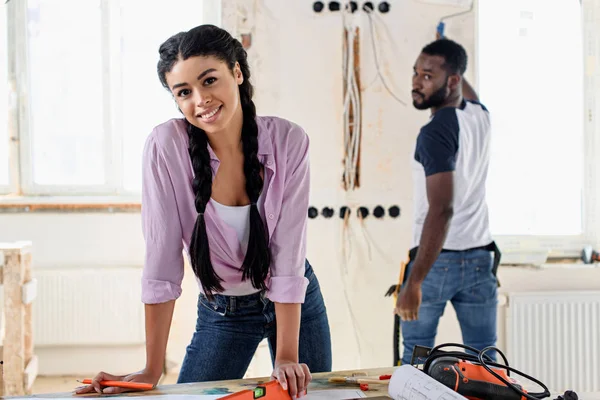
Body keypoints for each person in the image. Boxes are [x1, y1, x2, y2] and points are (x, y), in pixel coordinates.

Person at [76, 24, 332, 397]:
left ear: (238, 73)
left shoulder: (289, 141)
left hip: (295, 303)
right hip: (223, 311)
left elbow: (289, 255)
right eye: (184, 92)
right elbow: (162, 263)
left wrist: (287, 356)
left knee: (313, 396)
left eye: (209, 80)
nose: (201, 99)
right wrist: (151, 368)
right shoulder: (166, 147)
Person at [394, 37, 500, 366]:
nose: (416, 82)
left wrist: (415, 282)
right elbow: (470, 94)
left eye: (428, 76)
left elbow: (442, 210)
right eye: (415, 73)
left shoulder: (435, 132)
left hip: (435, 264)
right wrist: (448, 54)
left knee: (417, 360)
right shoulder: (478, 116)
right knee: (487, 364)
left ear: (452, 81)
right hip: (481, 259)